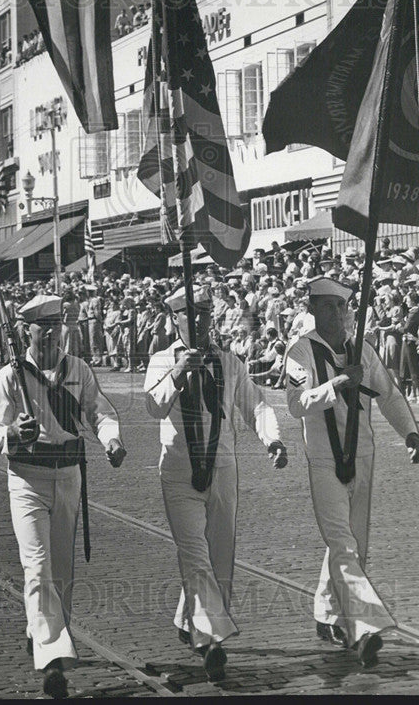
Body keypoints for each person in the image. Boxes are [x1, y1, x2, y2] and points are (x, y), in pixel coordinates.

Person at [144, 285, 288, 682]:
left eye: (206, 314)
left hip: (223, 466)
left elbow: (254, 403)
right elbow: (153, 405)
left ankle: (187, 617)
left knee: (220, 555)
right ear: (175, 319)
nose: (201, 322)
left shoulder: (228, 361)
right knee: (194, 551)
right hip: (178, 468)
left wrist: (272, 438)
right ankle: (210, 642)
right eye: (191, 315)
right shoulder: (160, 360)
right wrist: (177, 372)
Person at [0, 294, 126, 698]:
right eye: (40, 327)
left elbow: (99, 411)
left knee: (61, 571)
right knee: (38, 566)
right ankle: (52, 659)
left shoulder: (77, 369)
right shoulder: (9, 376)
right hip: (27, 479)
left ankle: (44, 630)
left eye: (54, 326)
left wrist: (111, 441)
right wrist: (14, 434)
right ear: (25, 330)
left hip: (68, 476)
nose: (49, 334)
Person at [284, 277, 419, 668]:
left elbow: (389, 395)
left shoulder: (361, 348)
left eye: (341, 307)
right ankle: (363, 627)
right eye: (327, 307)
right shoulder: (300, 352)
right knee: (344, 545)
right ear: (312, 310)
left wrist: (410, 432)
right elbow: (297, 404)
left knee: (352, 546)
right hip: (325, 459)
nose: (337, 314)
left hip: (363, 454)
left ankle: (326, 613)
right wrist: (337, 384)